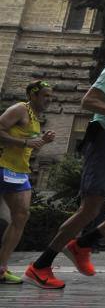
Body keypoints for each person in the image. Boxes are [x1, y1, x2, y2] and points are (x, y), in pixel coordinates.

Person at [24, 28, 105, 289]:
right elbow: (88, 102)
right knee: (90, 209)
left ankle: (83, 244)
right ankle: (39, 266)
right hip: (103, 141)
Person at [0, 81, 57, 284]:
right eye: (45, 95)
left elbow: (30, 147)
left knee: (21, 215)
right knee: (18, 215)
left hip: (19, 171)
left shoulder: (35, 119)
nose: (49, 100)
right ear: (33, 95)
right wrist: (25, 142)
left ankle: (1, 268)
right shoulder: (19, 109)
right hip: (2, 166)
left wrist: (43, 141)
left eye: (50, 96)